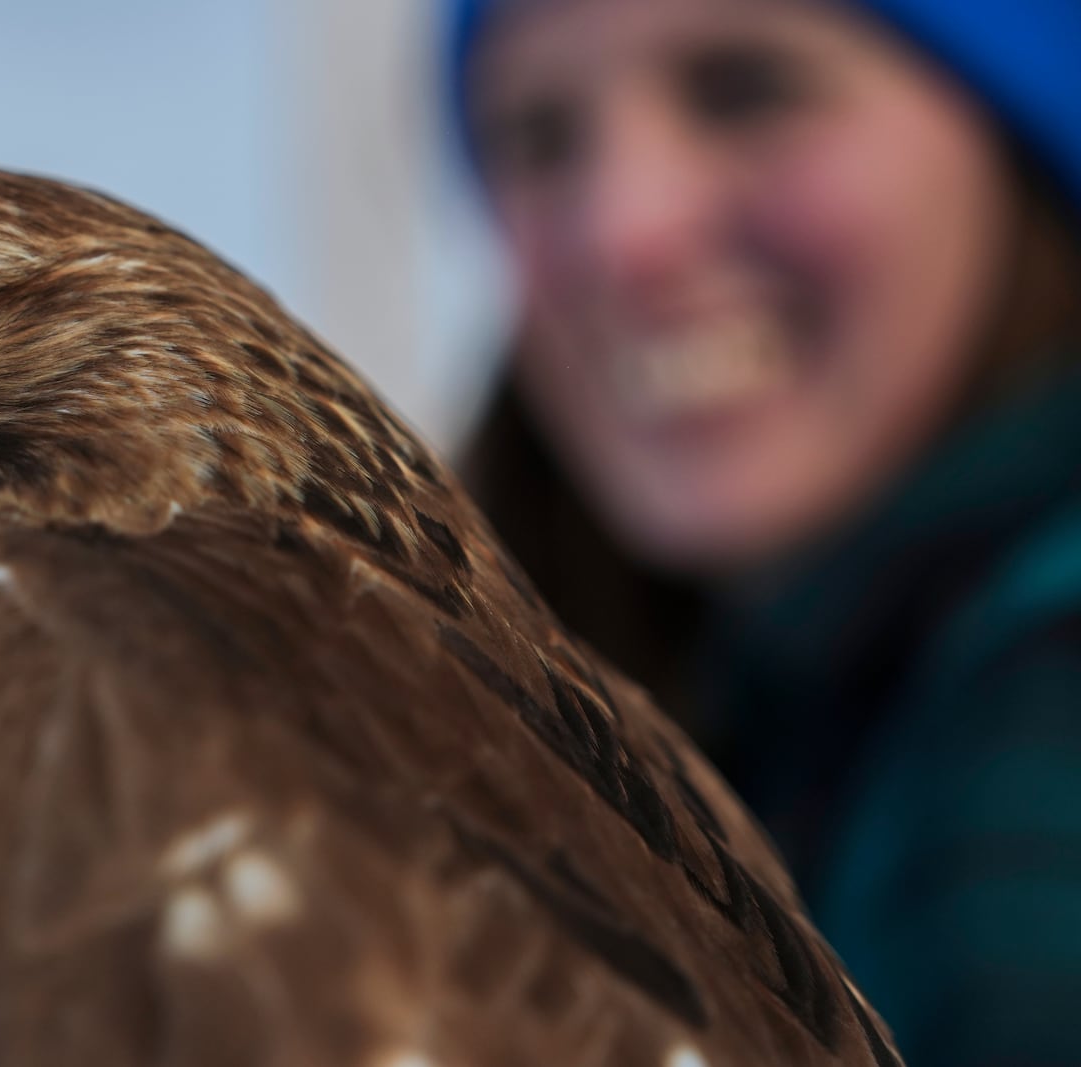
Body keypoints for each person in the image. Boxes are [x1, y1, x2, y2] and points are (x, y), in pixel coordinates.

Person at [445, 0, 1081, 1062]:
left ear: (1010, 127)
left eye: (746, 89)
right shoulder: (736, 712)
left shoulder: (1038, 722)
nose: (623, 229)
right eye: (539, 138)